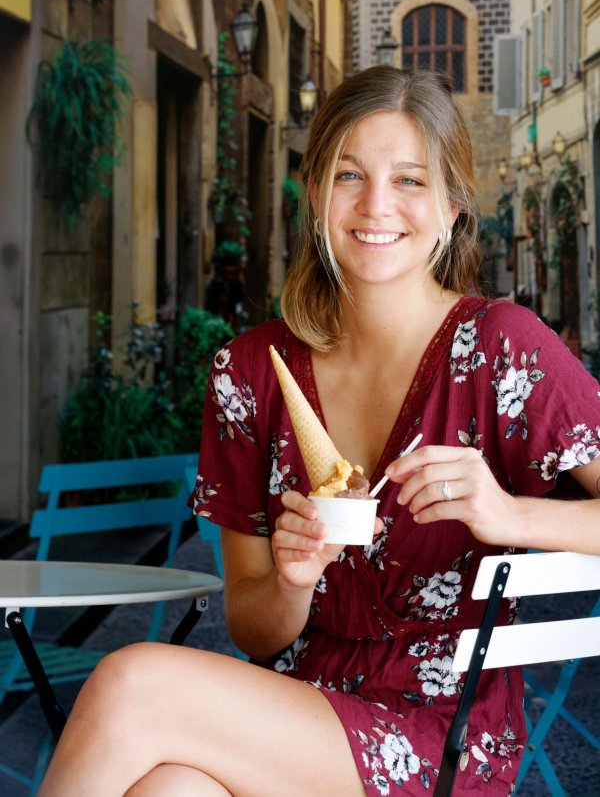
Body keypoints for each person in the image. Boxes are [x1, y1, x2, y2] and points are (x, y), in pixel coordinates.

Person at [40, 67, 600, 796]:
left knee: (132, 682)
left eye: (409, 179)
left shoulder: (504, 349)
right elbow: (252, 628)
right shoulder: (248, 373)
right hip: (293, 713)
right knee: (173, 788)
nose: (375, 205)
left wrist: (509, 513)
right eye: (348, 174)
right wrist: (293, 580)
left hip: (445, 734)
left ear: (454, 207)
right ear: (314, 194)